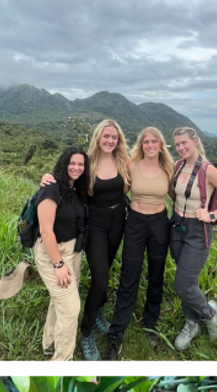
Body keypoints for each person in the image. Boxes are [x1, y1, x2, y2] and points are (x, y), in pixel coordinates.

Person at [168, 126, 217, 350]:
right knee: (187, 282)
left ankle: (209, 314)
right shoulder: (178, 165)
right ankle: (191, 323)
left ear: (194, 141)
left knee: (183, 284)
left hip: (197, 231)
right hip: (176, 227)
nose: (181, 148)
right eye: (177, 144)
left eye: (184, 143)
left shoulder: (209, 170)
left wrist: (211, 215)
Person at [104, 126, 174, 360]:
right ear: (141, 145)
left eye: (155, 141)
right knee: (129, 274)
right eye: (146, 142)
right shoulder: (131, 165)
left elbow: (181, 194)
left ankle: (151, 324)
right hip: (134, 221)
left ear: (161, 144)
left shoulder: (168, 169)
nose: (151, 145)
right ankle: (116, 333)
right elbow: (103, 162)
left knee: (156, 274)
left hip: (159, 223)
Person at [79, 119, 132, 360]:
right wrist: (48, 178)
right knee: (100, 279)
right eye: (106, 136)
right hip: (96, 223)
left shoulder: (124, 161)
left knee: (106, 269)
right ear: (98, 138)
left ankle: (99, 313)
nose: (110, 141)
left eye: (114, 137)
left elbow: (148, 174)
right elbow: (67, 181)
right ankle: (86, 333)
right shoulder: (87, 163)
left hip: (118, 219)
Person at [34, 146, 89, 361]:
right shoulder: (51, 189)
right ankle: (62, 360)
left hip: (73, 251)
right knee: (71, 308)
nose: (76, 168)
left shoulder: (75, 188)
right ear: (64, 163)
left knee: (60, 300)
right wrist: (58, 265)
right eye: (72, 163)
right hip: (53, 254)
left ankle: (49, 343)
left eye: (81, 164)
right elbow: (46, 231)